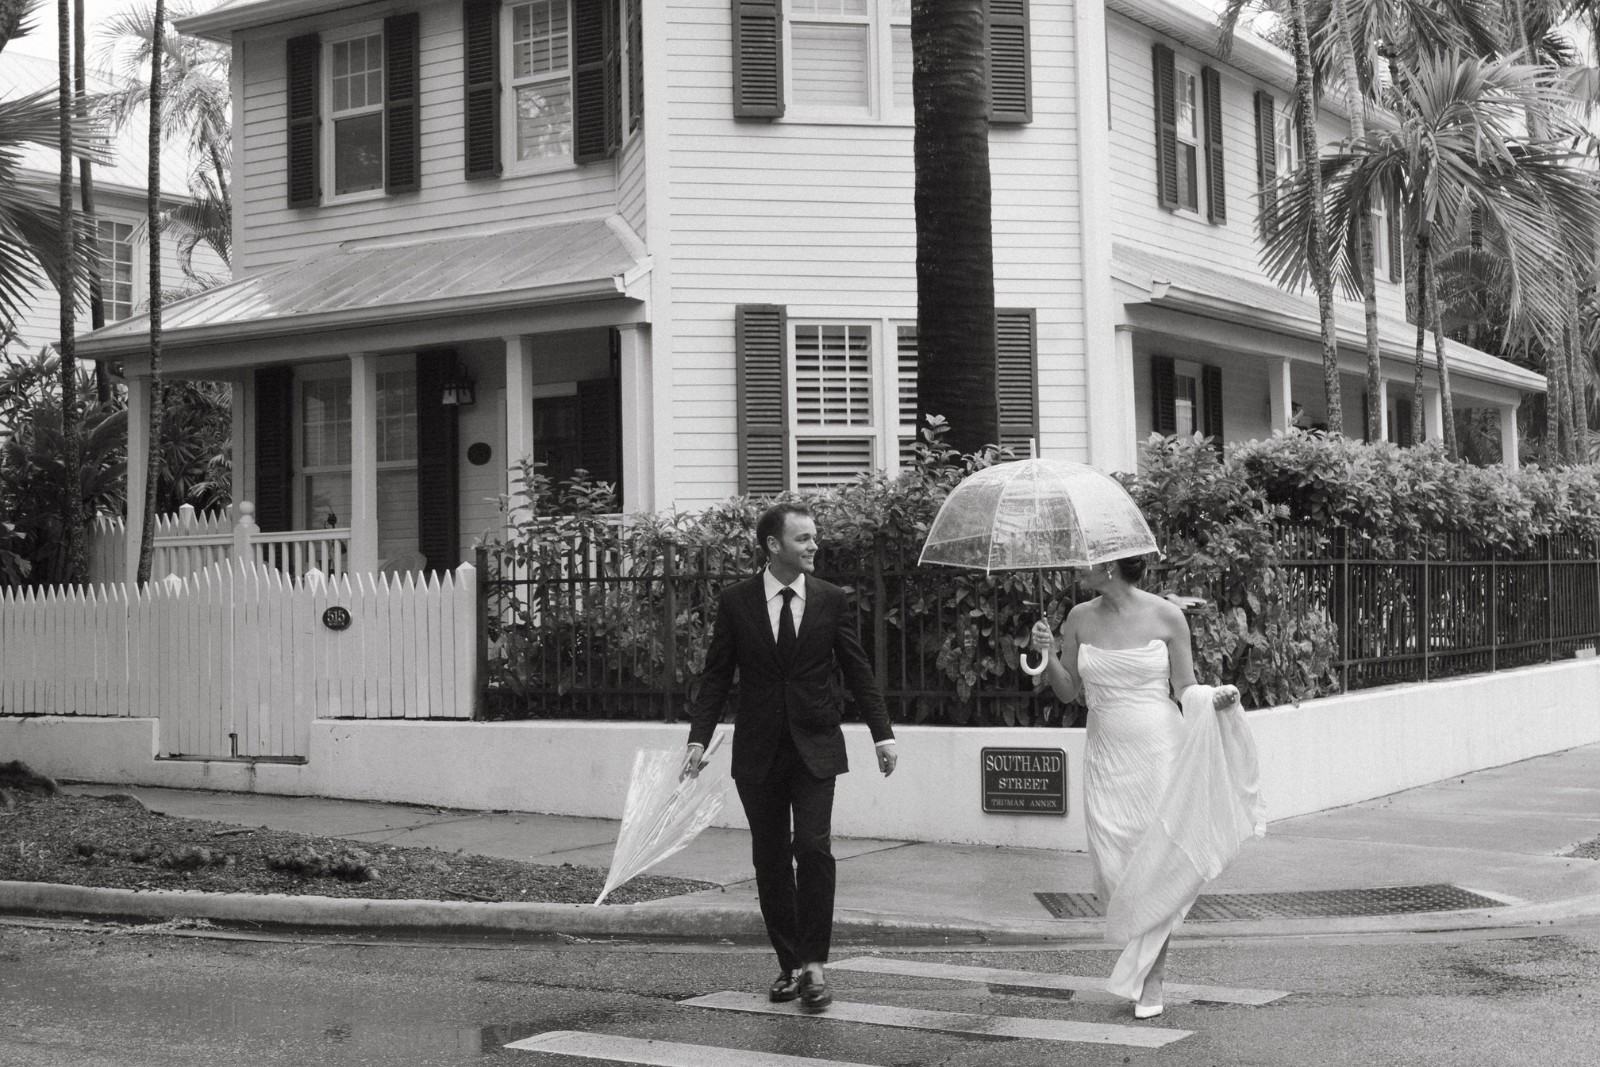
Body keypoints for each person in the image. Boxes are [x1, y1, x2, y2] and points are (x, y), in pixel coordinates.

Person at [682, 502, 898, 1013]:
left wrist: (882, 734)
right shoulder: (736, 602)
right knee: (771, 857)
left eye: (814, 537)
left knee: (814, 847)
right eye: (803, 539)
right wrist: (697, 740)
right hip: (758, 750)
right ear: (773, 545)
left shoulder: (830, 599)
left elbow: (857, 668)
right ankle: (790, 964)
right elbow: (716, 676)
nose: (814, 546)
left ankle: (816, 965)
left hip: (816, 745)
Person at [1030, 553, 1260, 1021]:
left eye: (1088, 563)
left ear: (1110, 569)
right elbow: (1069, 692)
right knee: (1117, 869)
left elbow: (1184, 687)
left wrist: (1214, 699)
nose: (1079, 569)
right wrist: (1048, 654)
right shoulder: (1078, 618)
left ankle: (1152, 979)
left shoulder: (1166, 615)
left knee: (1157, 865)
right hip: (1106, 754)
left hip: (1158, 751)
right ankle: (1143, 965)